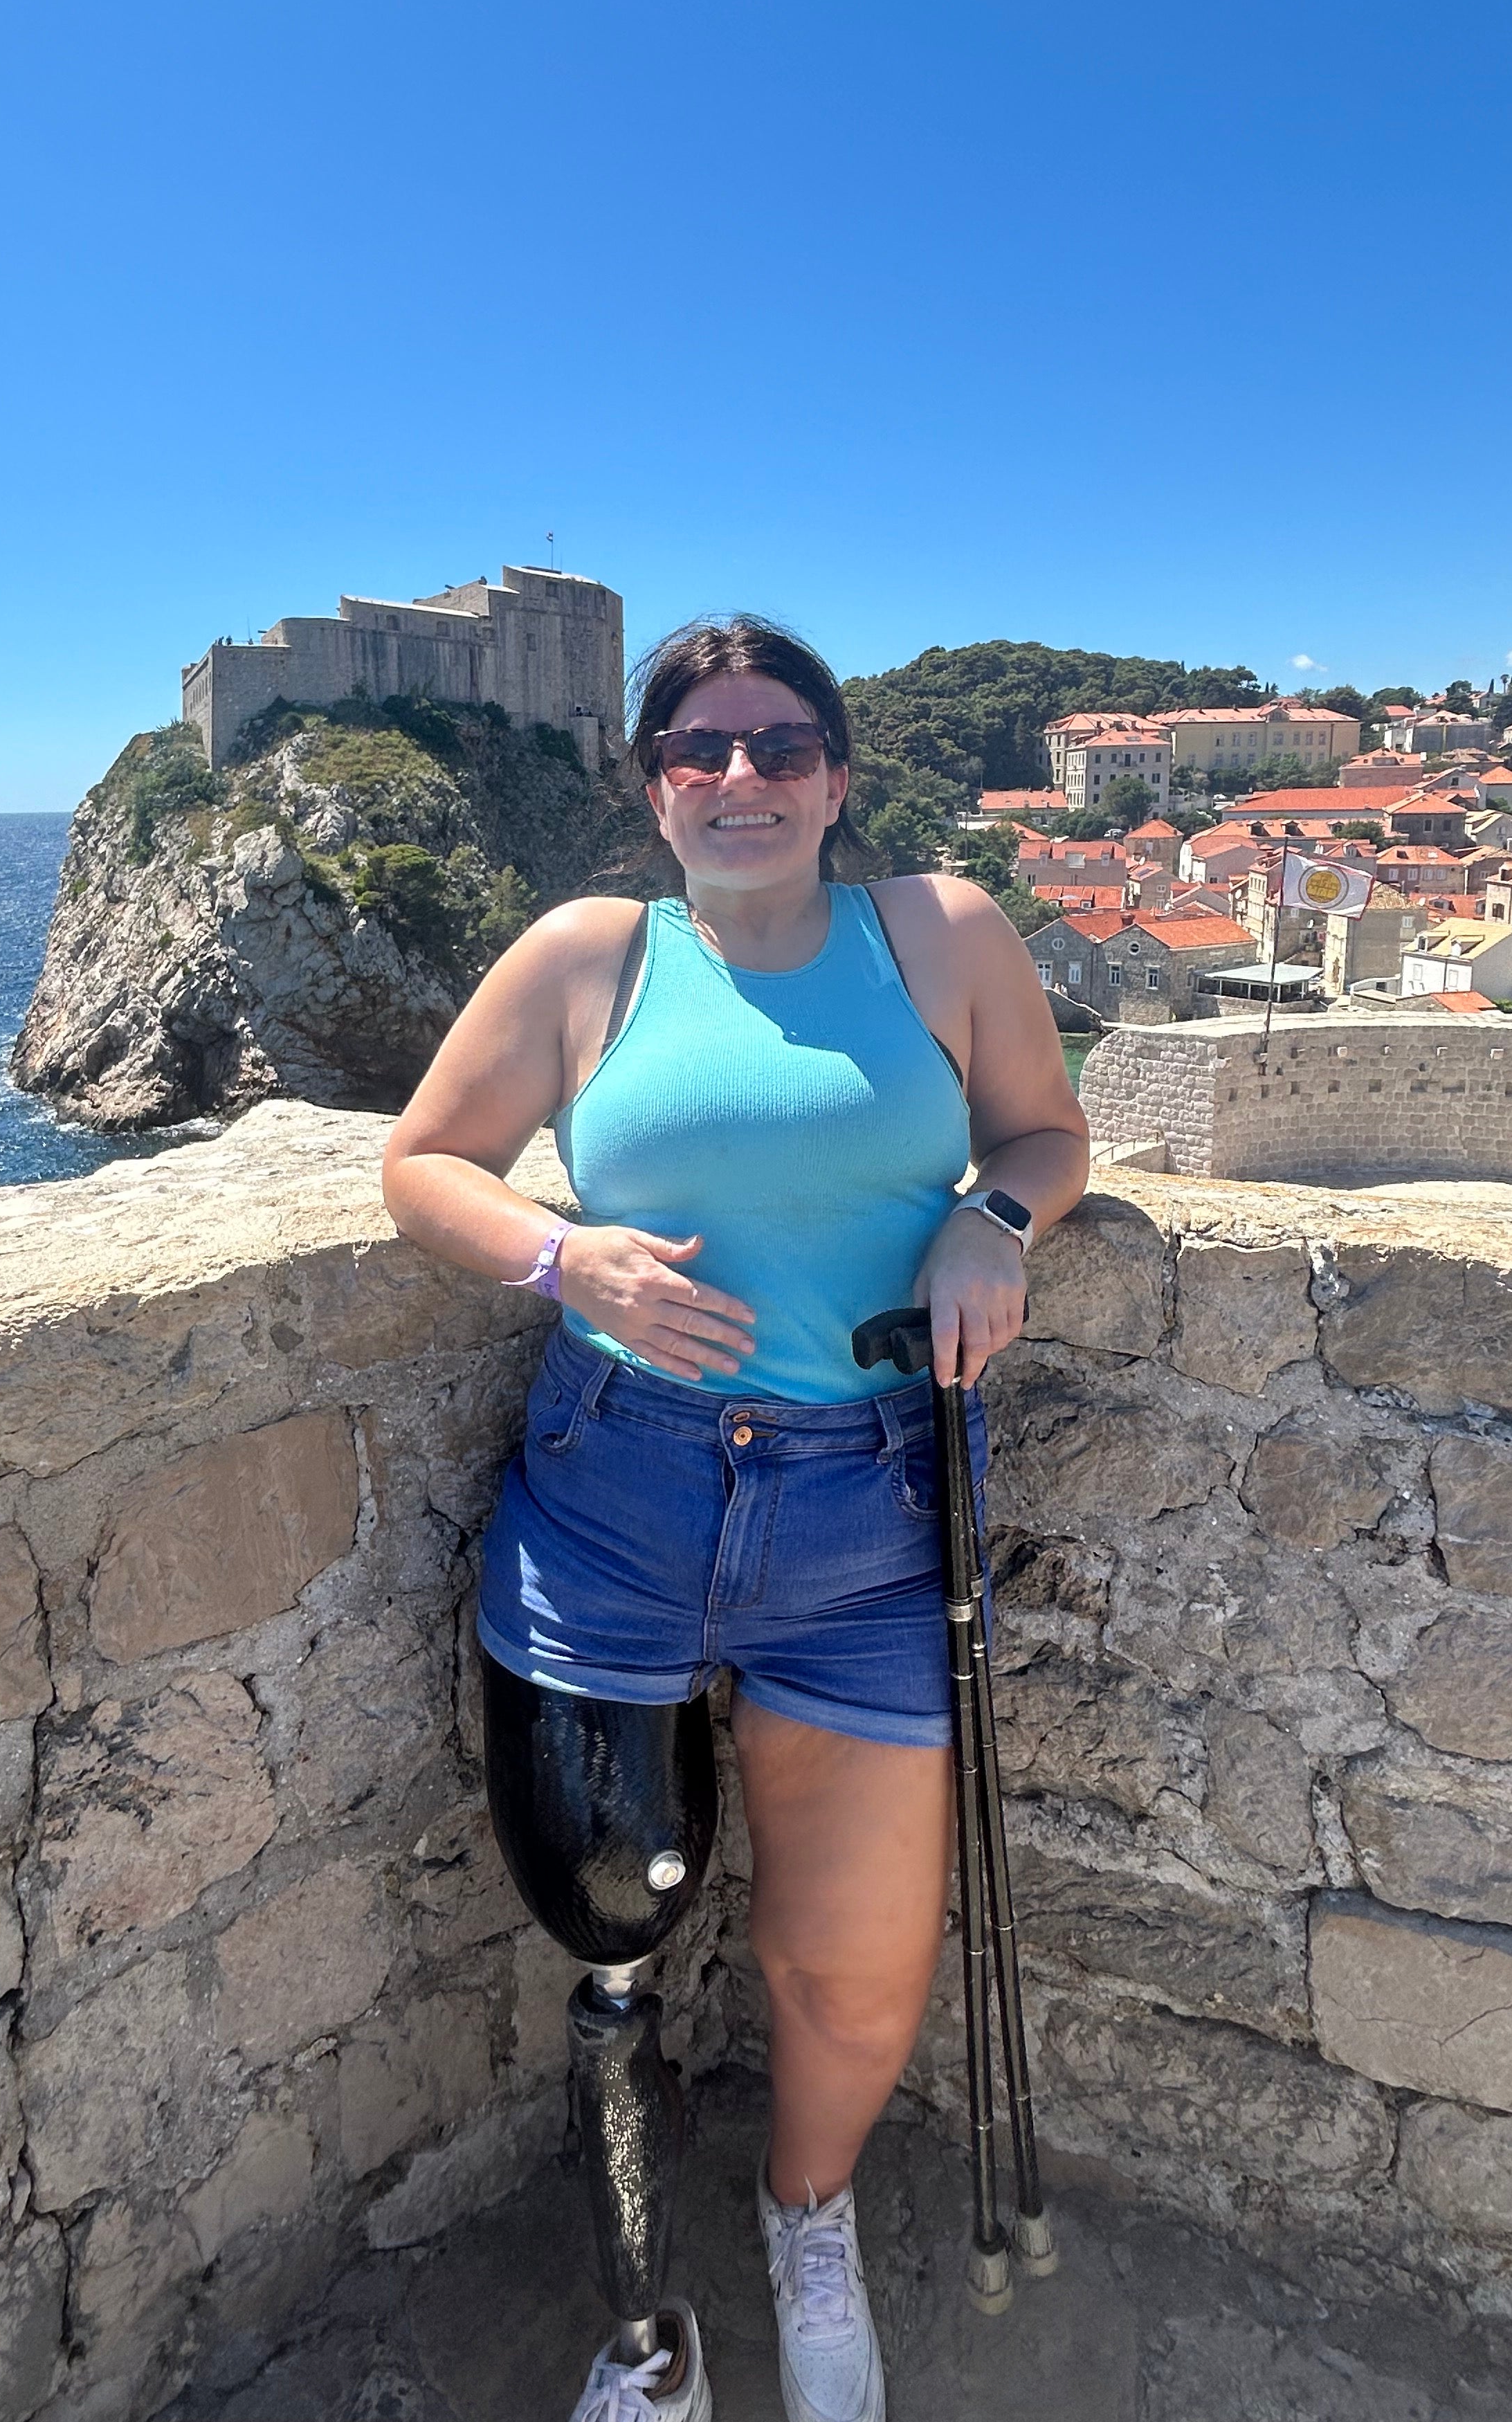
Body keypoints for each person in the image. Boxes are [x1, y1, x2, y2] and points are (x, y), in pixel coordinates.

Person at [381, 617, 1089, 2422]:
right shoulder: (586, 959)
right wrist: (566, 1255)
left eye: (784, 747)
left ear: (840, 779)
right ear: (653, 786)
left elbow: (1043, 1138)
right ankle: (646, 2349)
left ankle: (806, 2224)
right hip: (617, 1490)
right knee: (610, 1944)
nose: (744, 777)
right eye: (702, 748)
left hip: (866, 1513)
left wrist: (992, 1224)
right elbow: (422, 1164)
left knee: (851, 1978)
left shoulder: (942, 934)